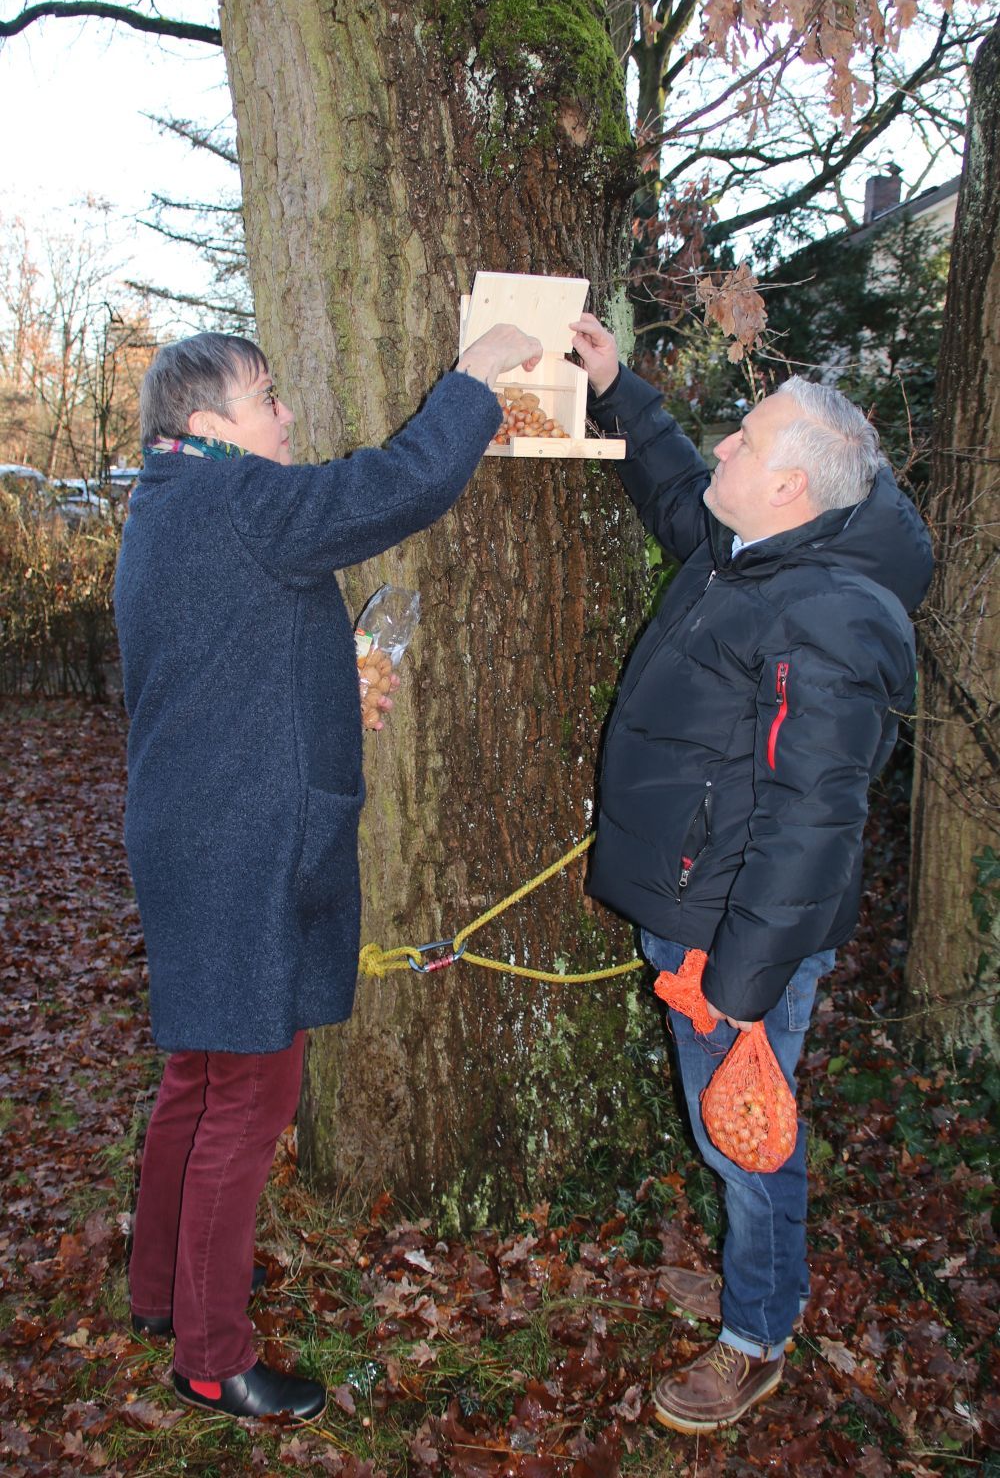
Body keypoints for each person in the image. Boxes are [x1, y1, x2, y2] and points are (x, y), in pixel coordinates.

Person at [116, 322, 541, 1422]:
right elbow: (393, 487)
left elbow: (219, 671)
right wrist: (473, 383)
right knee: (251, 1099)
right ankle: (212, 1356)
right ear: (209, 427)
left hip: (194, 832)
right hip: (240, 848)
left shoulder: (168, 507)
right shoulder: (240, 499)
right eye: (265, 397)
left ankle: (163, 1293)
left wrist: (326, 706)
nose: (285, 414)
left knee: (199, 1082)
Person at [569, 313, 933, 1434]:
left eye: (744, 443)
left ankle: (756, 1331)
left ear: (791, 491)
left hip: (738, 933)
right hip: (702, 909)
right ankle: (755, 1272)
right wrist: (622, 391)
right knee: (722, 1126)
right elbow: (683, 494)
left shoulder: (832, 614)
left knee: (746, 1131)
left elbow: (813, 825)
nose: (723, 448)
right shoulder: (762, 545)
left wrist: (736, 986)